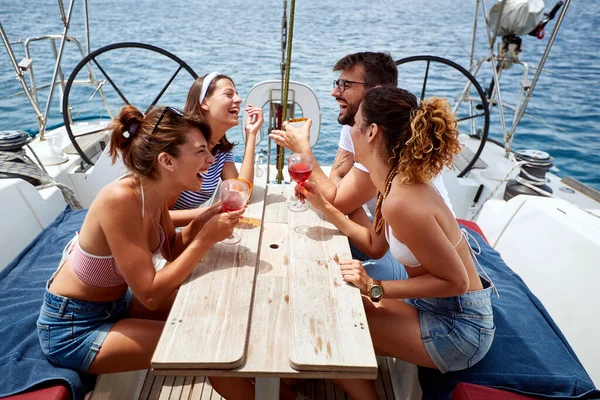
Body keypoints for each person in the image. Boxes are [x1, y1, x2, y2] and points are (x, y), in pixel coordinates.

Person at [36, 105, 254, 399]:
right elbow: (150, 295)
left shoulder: (155, 192)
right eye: (201, 151)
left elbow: (172, 250)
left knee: (210, 311)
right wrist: (206, 239)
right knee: (202, 343)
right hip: (72, 328)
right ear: (167, 160)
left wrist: (204, 219)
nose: (210, 159)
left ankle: (265, 382)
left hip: (118, 304)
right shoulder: (120, 199)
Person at [297, 87, 497, 399]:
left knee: (330, 325)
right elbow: (375, 245)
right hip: (438, 307)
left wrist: (375, 286)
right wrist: (326, 208)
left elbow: (456, 281)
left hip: (460, 329)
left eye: (355, 123)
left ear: (372, 132)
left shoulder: (401, 200)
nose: (350, 129)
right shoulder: (392, 180)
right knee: (331, 301)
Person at [270, 51, 452, 281]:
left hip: (406, 262)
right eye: (337, 83)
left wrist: (302, 149)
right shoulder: (355, 127)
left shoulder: (383, 151)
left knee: (320, 272)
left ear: (374, 93)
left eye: (345, 85)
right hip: (388, 242)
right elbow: (337, 177)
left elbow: (337, 198)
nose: (334, 92)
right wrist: (340, 199)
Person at [170, 72, 264, 226]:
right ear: (205, 103)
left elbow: (241, 193)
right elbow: (157, 215)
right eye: (229, 94)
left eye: (237, 94)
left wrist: (251, 135)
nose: (239, 100)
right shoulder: (184, 147)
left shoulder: (220, 150)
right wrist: (213, 212)